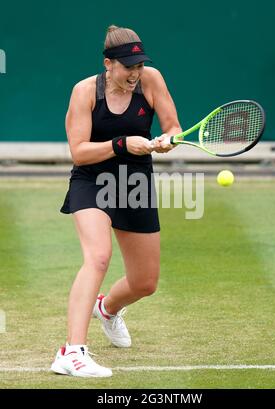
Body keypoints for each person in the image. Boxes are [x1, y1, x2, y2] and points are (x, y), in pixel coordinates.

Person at [51, 25, 182, 377]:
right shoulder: (84, 92)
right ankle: (71, 352)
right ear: (109, 64)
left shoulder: (151, 80)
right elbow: (79, 152)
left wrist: (169, 139)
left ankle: (107, 309)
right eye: (128, 67)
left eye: (139, 66)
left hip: (134, 181)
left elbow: (172, 126)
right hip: (92, 179)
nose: (135, 74)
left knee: (145, 282)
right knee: (98, 256)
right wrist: (123, 143)